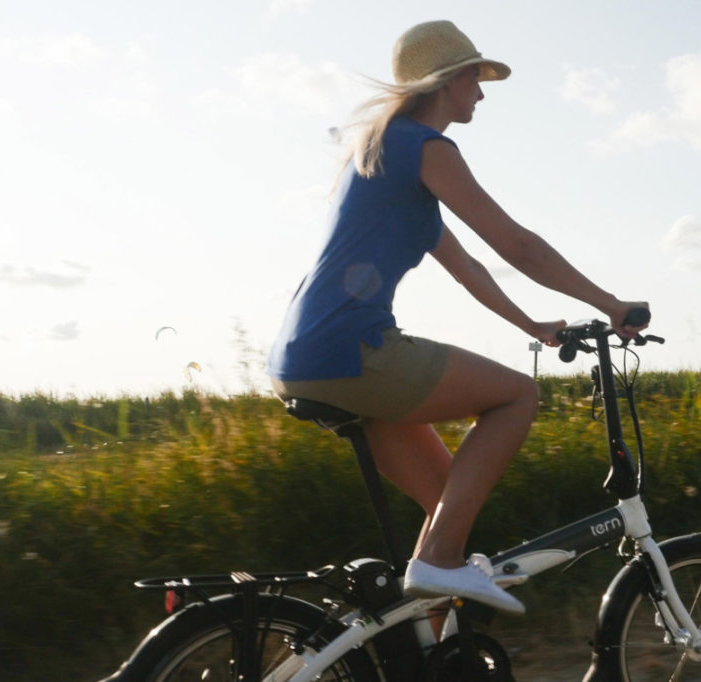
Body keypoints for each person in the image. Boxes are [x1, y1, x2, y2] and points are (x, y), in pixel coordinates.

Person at [267, 20, 648, 615]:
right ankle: (440, 563)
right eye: (476, 75)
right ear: (447, 81)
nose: (482, 90)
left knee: (449, 506)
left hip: (305, 355)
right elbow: (517, 247)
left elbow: (469, 268)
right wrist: (612, 306)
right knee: (517, 396)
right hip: (351, 349)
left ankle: (435, 650)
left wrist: (534, 327)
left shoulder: (384, 154)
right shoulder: (427, 148)